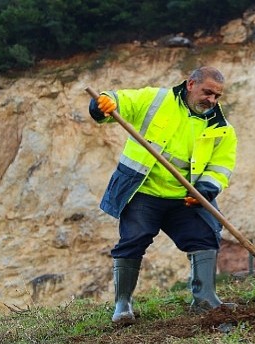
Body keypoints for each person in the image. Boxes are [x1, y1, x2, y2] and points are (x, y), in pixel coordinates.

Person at [88, 66, 237, 324]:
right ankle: (123, 305)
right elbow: (119, 102)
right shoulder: (156, 100)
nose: (211, 100)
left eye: (217, 96)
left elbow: (220, 167)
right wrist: (101, 104)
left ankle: (204, 299)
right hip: (143, 190)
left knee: (205, 236)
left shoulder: (221, 128)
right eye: (207, 92)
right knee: (134, 239)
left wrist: (205, 190)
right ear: (191, 85)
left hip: (184, 197)